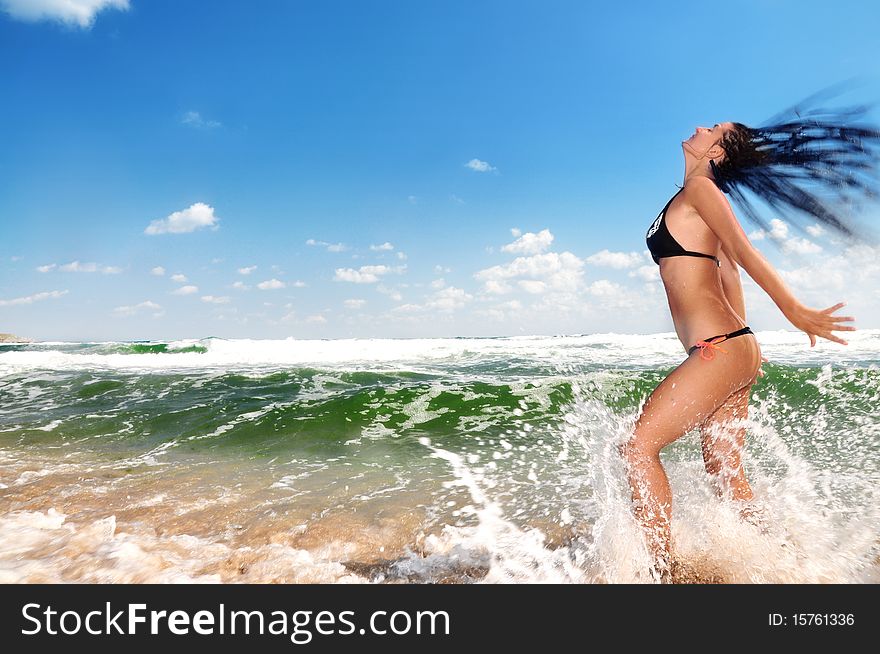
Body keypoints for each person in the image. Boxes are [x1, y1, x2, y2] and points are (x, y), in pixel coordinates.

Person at [620, 89, 880, 583]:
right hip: (727, 347)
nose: (701, 126)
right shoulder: (689, 197)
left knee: (637, 449)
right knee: (725, 474)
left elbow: (747, 253)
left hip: (720, 348)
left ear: (715, 153)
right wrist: (744, 355)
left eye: (712, 128)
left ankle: (661, 572)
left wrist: (794, 312)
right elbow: (729, 272)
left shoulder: (702, 192)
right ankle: (785, 565)